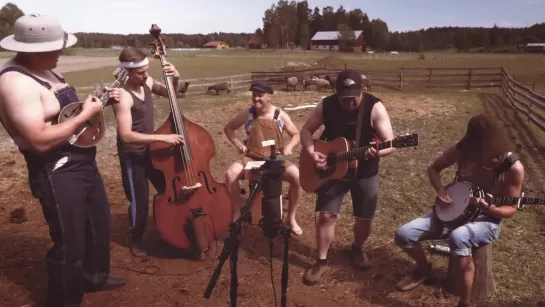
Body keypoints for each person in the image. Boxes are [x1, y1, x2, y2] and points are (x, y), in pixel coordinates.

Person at [0, 14, 127, 306]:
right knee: (70, 240)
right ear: (34, 50)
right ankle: (64, 300)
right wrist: (84, 115)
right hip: (55, 168)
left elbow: (62, 114)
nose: (61, 53)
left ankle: (94, 277)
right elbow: (37, 138)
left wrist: (92, 105)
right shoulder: (16, 82)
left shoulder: (49, 72)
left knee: (98, 221)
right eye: (56, 48)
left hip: (81, 158)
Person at [394, 114, 524, 307]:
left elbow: (512, 208)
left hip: (486, 220)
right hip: (450, 213)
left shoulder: (511, 166)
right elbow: (433, 169)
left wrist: (493, 208)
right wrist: (440, 190)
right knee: (403, 234)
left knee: (459, 237)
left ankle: (465, 302)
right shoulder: (463, 149)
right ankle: (424, 270)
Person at [299, 69, 395, 285]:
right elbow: (306, 131)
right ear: (336, 93)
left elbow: (390, 142)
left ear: (361, 90)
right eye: (344, 98)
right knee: (325, 216)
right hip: (332, 170)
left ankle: (357, 249)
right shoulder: (326, 104)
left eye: (354, 97)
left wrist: (378, 151)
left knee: (364, 217)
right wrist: (312, 152)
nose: (350, 102)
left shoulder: (374, 106)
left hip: (365, 171)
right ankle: (321, 260)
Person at [111, 46, 184, 257]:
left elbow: (173, 94)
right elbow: (126, 135)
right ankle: (135, 237)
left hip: (151, 150)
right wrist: (163, 137)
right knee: (140, 201)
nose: (146, 75)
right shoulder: (122, 96)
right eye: (141, 73)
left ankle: (168, 227)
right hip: (133, 155)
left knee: (168, 190)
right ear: (128, 72)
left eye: (146, 70)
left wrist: (175, 78)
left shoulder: (147, 82)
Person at [223, 80, 303, 236]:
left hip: (275, 160)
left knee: (297, 177)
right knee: (230, 174)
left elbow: (296, 134)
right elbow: (228, 128)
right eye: (254, 95)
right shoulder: (249, 113)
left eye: (260, 95)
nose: (256, 99)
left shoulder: (280, 115)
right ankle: (237, 214)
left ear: (269, 96)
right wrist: (238, 144)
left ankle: (291, 218)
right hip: (252, 157)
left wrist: (289, 147)